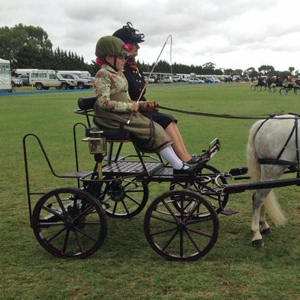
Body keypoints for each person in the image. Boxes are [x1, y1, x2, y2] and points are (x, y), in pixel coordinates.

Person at [93, 35, 197, 174]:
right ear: (108, 58)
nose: (124, 60)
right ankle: (178, 165)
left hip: (123, 114)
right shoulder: (103, 74)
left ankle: (179, 163)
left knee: (156, 127)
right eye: (121, 57)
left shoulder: (118, 73)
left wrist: (143, 105)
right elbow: (103, 103)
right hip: (111, 117)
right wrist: (131, 107)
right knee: (152, 129)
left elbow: (128, 100)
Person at [113, 22, 200, 164]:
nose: (138, 47)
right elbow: (124, 97)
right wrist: (142, 105)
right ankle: (184, 160)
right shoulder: (120, 72)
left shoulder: (135, 68)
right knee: (165, 120)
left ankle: (186, 157)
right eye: (135, 43)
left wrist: (148, 105)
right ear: (125, 46)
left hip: (141, 108)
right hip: (131, 112)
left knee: (169, 119)